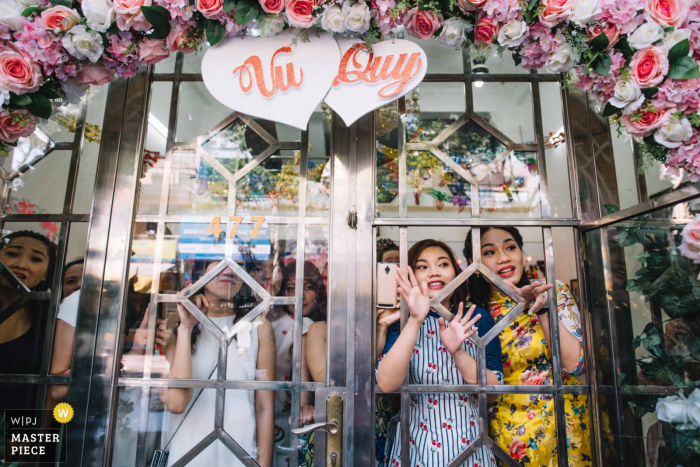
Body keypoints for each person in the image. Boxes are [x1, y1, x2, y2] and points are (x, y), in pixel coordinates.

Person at [463, 227, 591, 467]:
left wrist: (542, 309)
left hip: (564, 428)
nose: (504, 257)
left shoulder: (553, 291)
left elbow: (576, 365)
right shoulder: (474, 312)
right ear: (474, 265)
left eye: (511, 247)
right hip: (507, 435)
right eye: (490, 252)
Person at [377, 239, 503, 467]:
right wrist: (416, 320)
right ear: (410, 275)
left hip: (470, 443)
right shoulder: (401, 321)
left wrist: (458, 353)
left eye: (443, 264)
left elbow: (493, 392)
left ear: (456, 272)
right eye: (423, 266)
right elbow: (386, 384)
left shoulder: (478, 316)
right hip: (415, 445)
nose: (434, 272)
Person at [159, 260, 276, 467]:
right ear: (200, 274)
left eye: (238, 263)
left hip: (240, 452)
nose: (229, 269)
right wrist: (186, 327)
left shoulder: (258, 327)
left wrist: (263, 465)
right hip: (187, 452)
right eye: (218, 262)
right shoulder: (176, 327)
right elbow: (176, 403)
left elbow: (264, 405)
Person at [267, 260, 326, 467]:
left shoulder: (310, 326)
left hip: (284, 417)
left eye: (308, 287)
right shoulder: (300, 325)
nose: (300, 296)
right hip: (289, 417)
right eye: (291, 288)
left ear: (319, 291)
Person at [0, 230, 56, 414]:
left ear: (46, 273)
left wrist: (33, 439)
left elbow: (51, 389)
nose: (21, 265)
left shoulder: (51, 322)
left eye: (35, 259)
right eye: (13, 254)